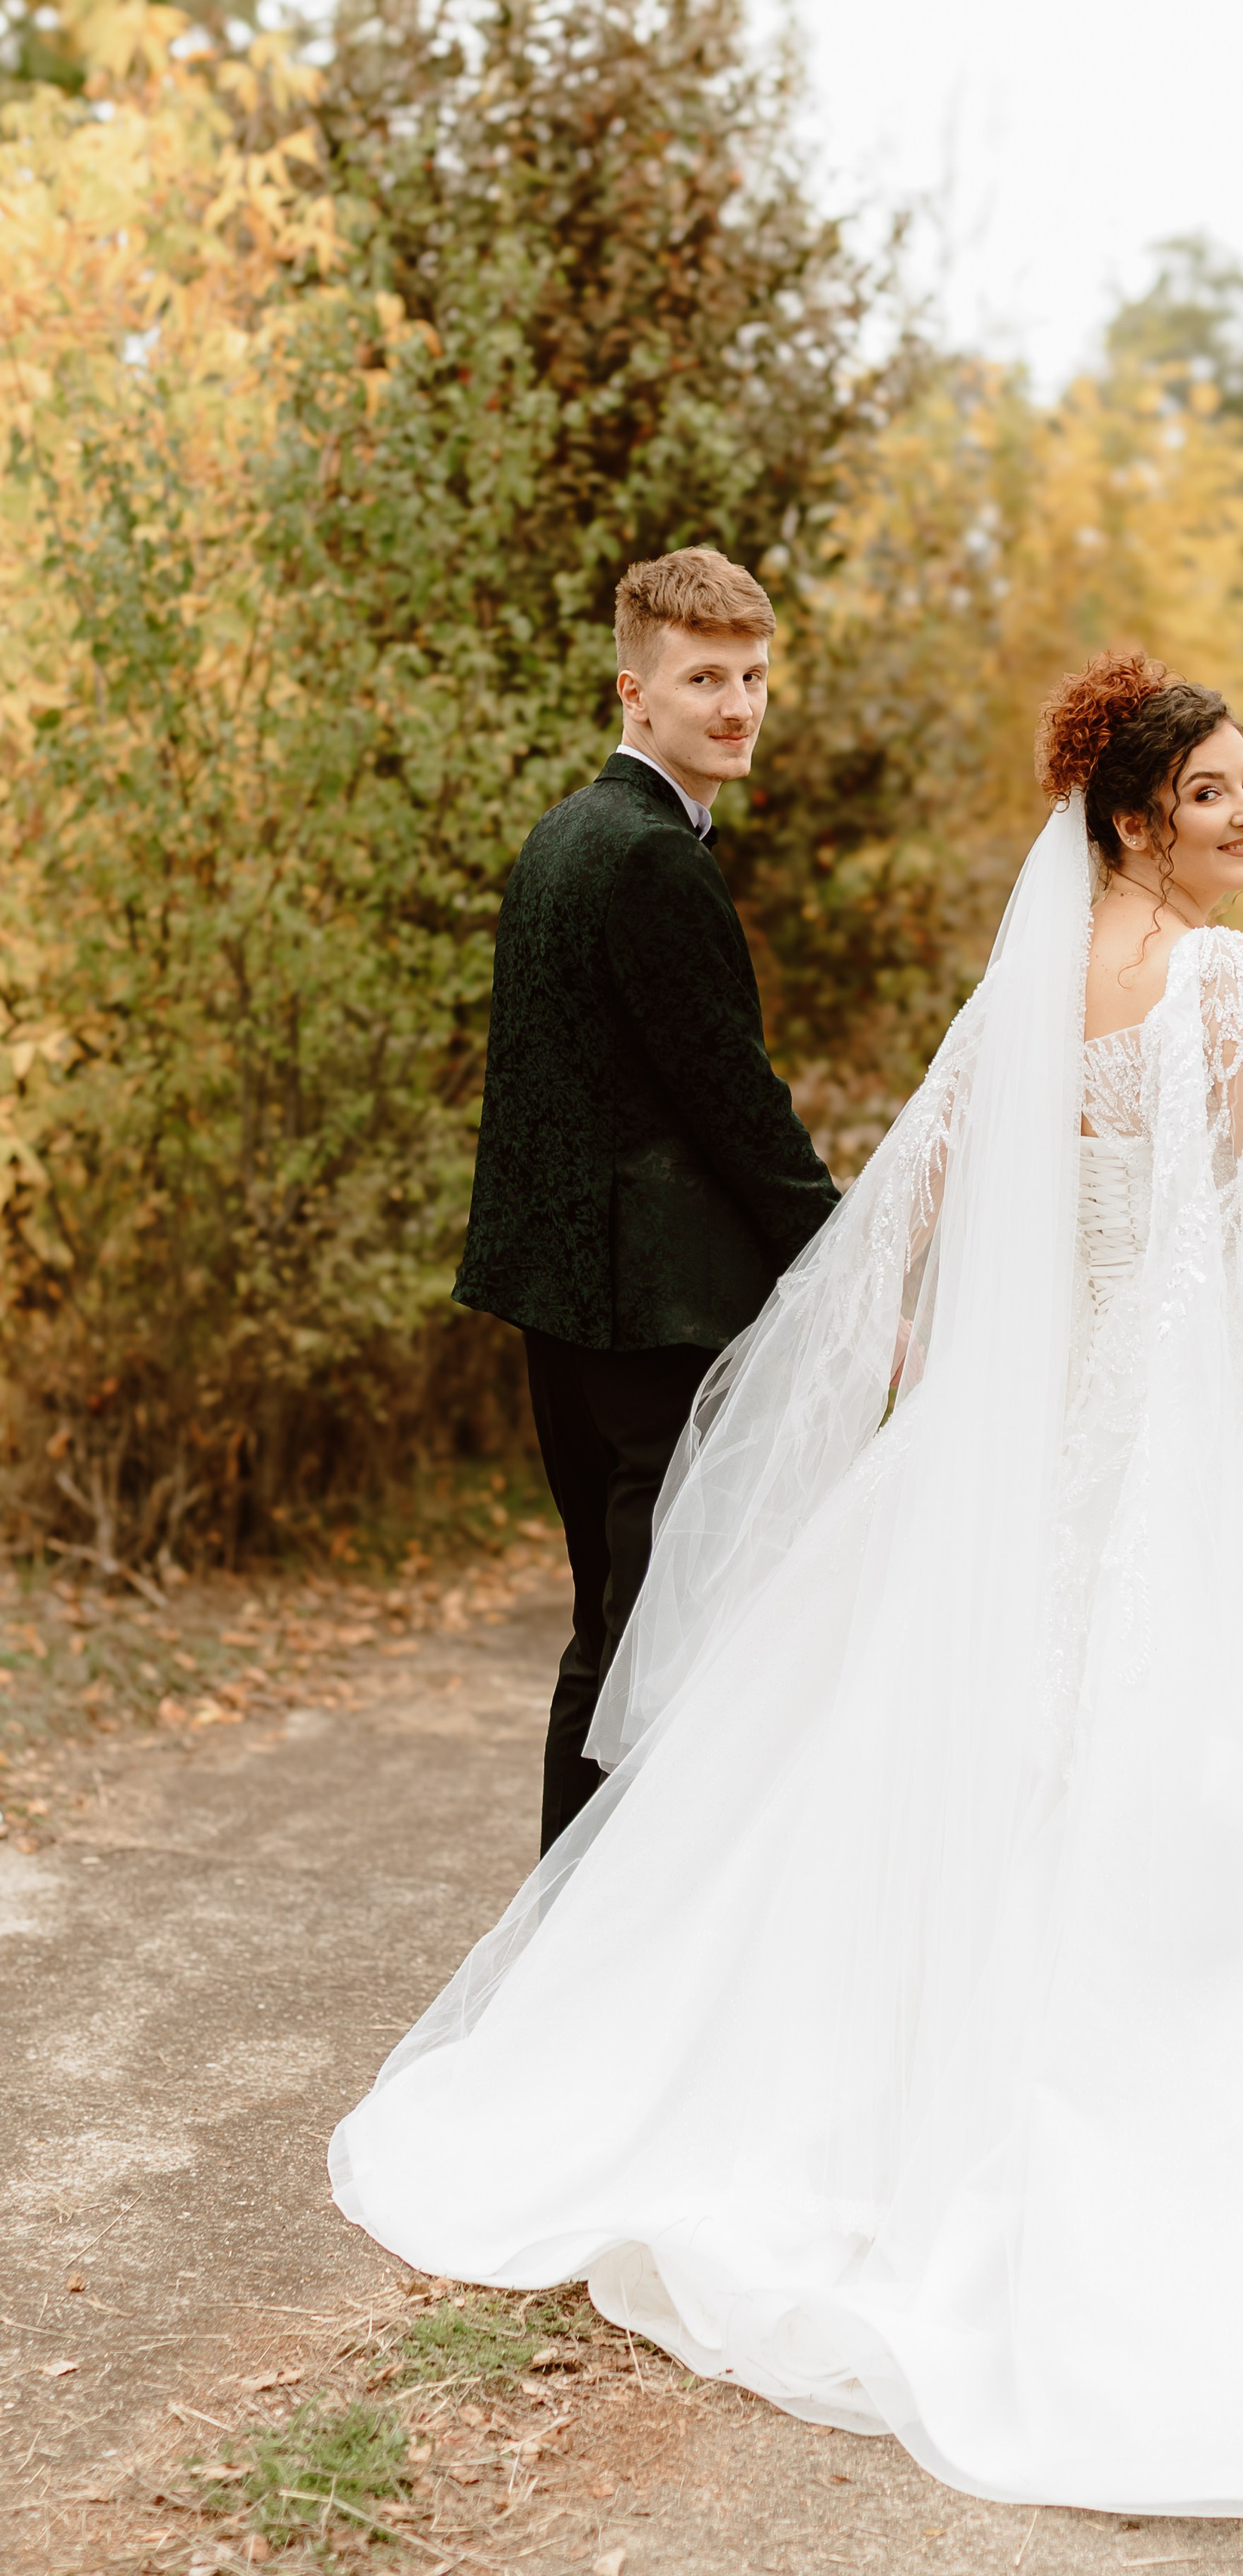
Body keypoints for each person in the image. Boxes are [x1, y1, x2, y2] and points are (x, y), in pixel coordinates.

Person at [334, 652, 1243, 2522]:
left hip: (1041, 1426)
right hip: (1205, 1424)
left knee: (974, 1753)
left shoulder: (1022, 997)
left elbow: (918, 1205)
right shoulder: (1231, 989)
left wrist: (945, 1368)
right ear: (1137, 820)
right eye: (1215, 789)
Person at [452, 548, 839, 1852]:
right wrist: (843, 1264)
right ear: (636, 690)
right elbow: (733, 1100)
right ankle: (588, 1930)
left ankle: (567, 1920)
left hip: (567, 1304)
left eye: (754, 678)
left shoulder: (564, 834)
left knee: (610, 1628)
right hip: (650, 1316)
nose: (737, 706)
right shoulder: (654, 860)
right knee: (647, 1643)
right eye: (704, 679)